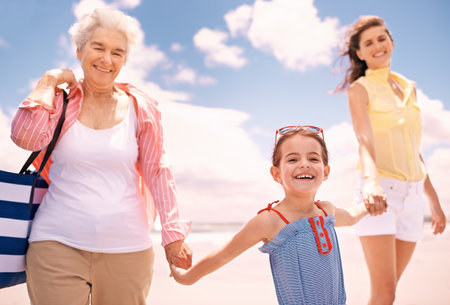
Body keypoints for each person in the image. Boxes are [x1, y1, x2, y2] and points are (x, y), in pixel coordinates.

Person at [10, 8, 192, 305]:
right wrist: (49, 80)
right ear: (80, 50)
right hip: (56, 244)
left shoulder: (140, 107)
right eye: (99, 47)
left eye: (117, 52)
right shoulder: (60, 101)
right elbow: (24, 137)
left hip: (128, 249)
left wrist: (173, 235)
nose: (107, 59)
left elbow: (158, 171)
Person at [170, 125, 372, 305]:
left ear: (325, 172)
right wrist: (185, 277)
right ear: (276, 174)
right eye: (293, 159)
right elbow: (222, 256)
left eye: (313, 158)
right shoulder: (271, 220)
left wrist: (369, 204)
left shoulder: (326, 210)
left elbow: (352, 216)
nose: (304, 164)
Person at [335, 15, 447, 305]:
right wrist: (371, 182)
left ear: (392, 43)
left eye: (381, 39)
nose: (377, 46)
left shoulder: (409, 87)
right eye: (368, 43)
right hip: (379, 193)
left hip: (412, 196)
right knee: (385, 292)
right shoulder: (360, 89)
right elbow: (364, 138)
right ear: (359, 53)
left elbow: (413, 148)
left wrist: (433, 201)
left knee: (388, 291)